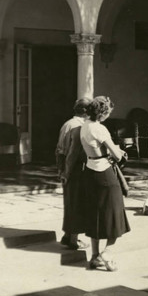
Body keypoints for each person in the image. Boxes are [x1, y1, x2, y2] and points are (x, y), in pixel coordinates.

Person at [79, 96, 130, 271]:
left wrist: (111, 151)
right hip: (104, 173)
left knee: (96, 213)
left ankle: (94, 256)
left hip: (90, 171)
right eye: (107, 113)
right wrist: (119, 151)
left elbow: (95, 149)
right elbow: (116, 156)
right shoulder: (100, 129)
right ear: (102, 113)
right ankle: (107, 253)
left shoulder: (84, 125)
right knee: (115, 213)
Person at [55, 98, 91, 251]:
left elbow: (59, 150)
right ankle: (73, 240)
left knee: (71, 202)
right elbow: (71, 152)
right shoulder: (78, 126)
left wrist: (60, 169)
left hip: (67, 166)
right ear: (85, 111)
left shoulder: (68, 123)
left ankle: (68, 235)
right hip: (75, 167)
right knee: (77, 203)